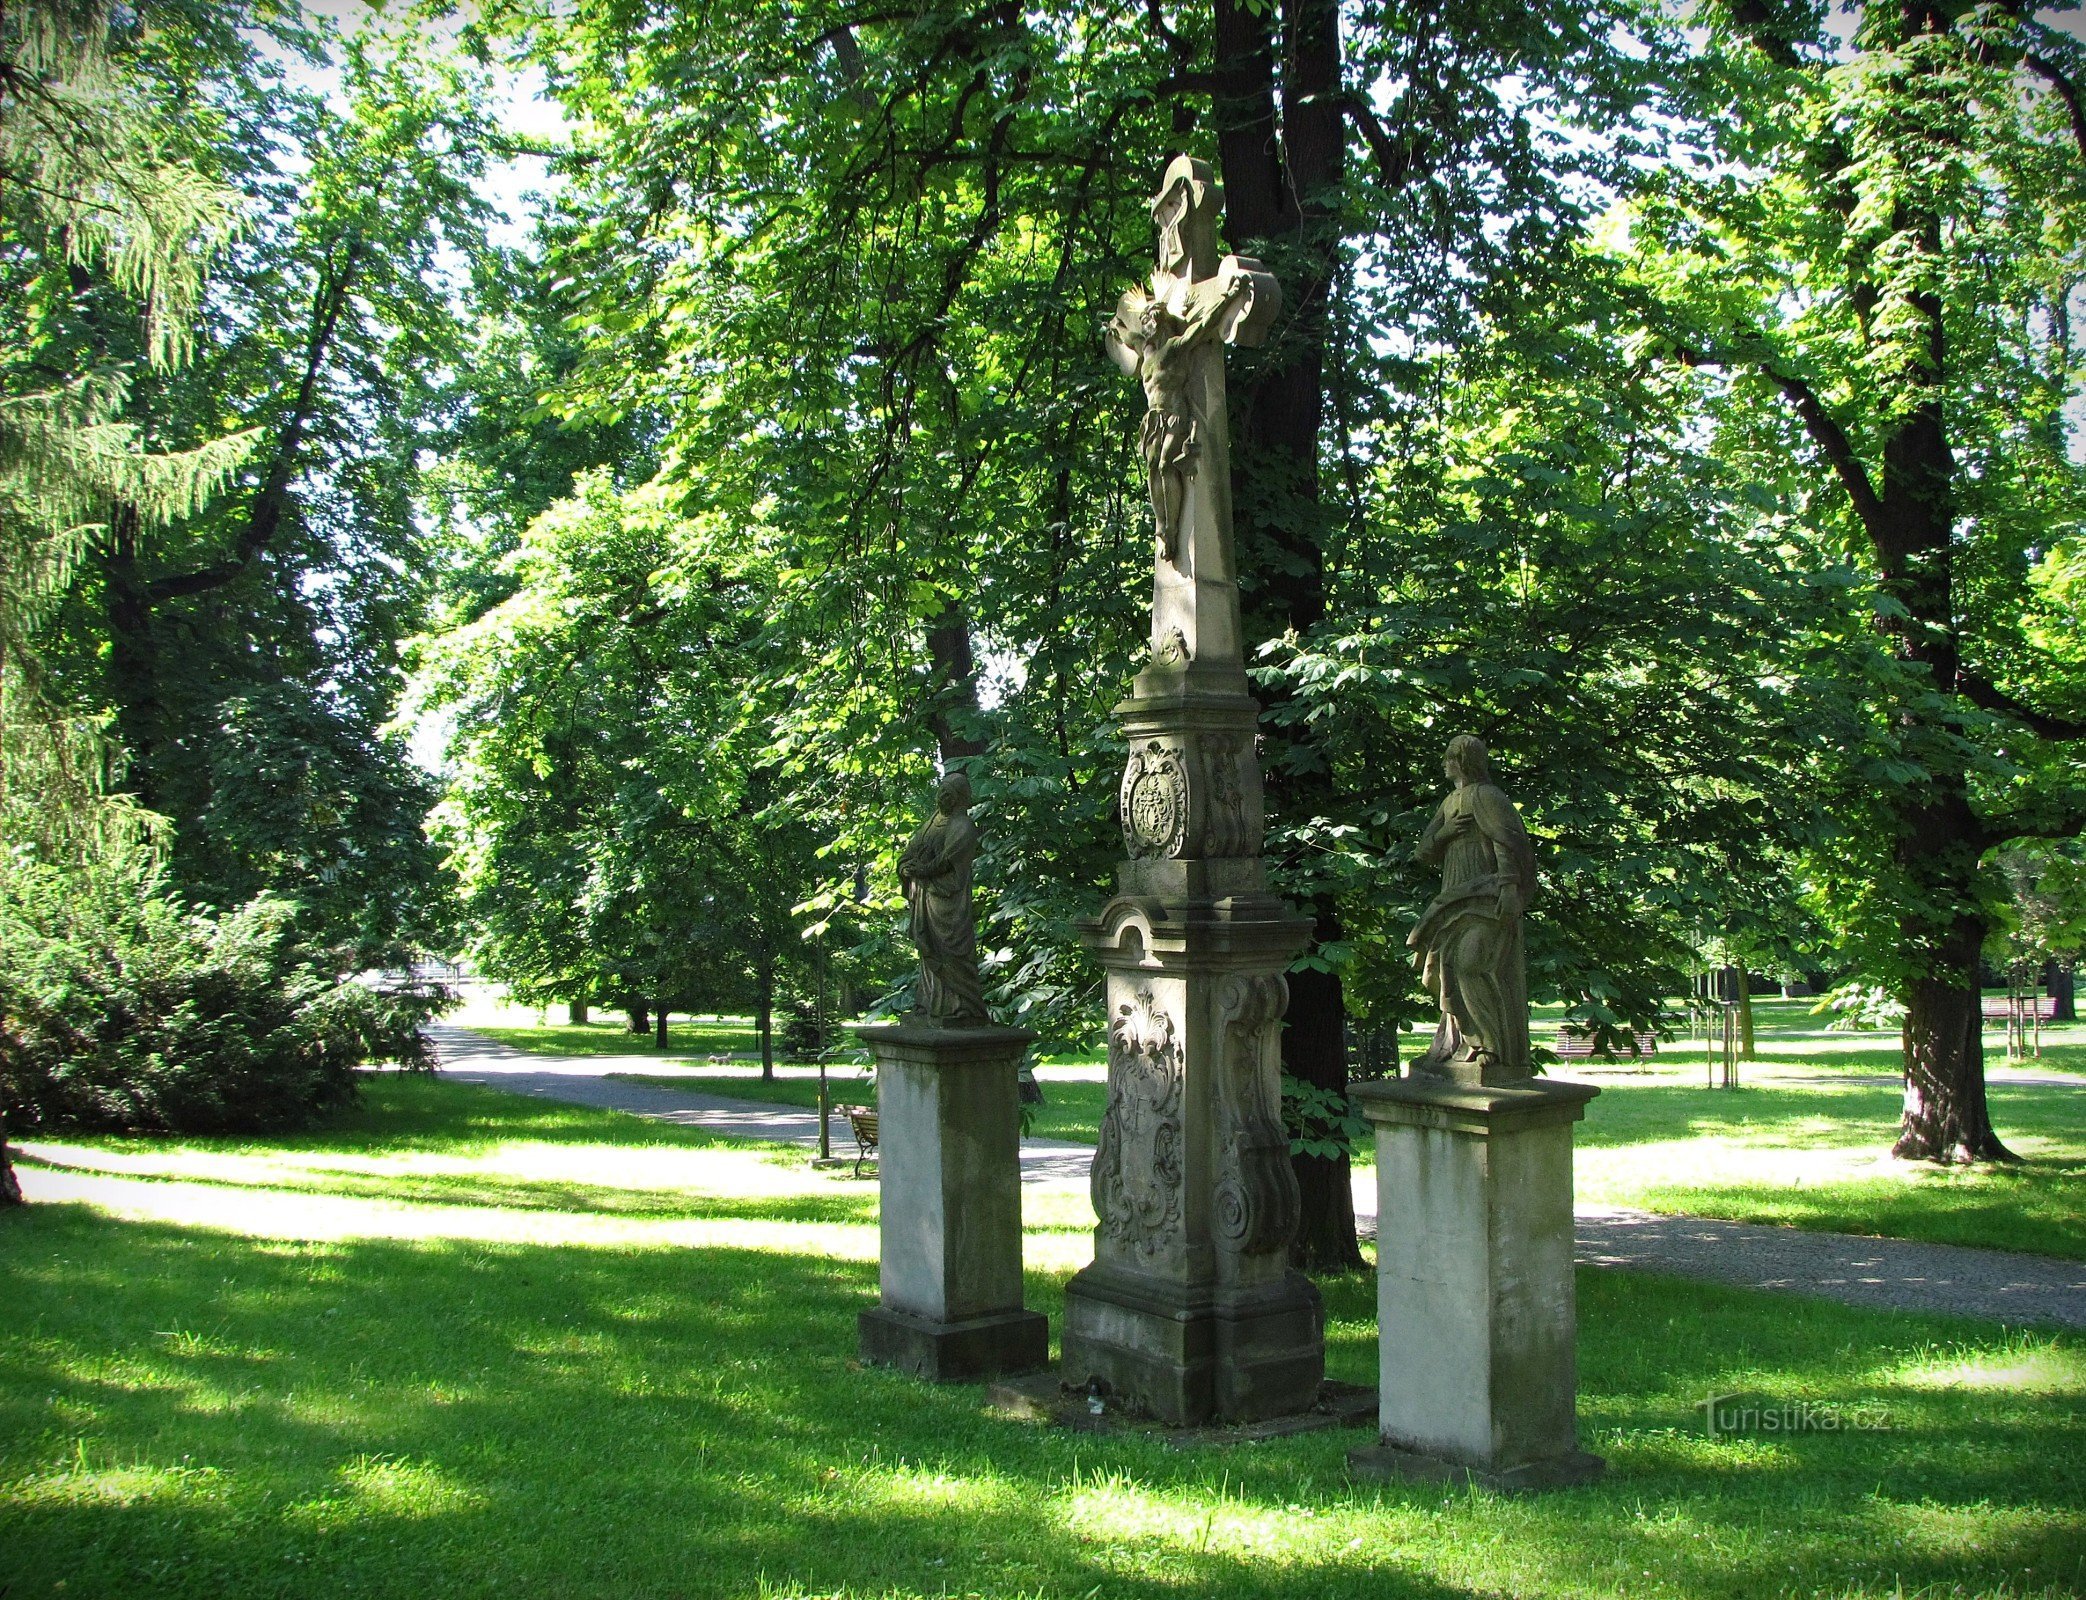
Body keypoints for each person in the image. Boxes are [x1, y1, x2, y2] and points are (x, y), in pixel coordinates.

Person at [1407, 736, 1536, 1083]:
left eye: (1450, 758)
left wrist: (1509, 887)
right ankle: (1459, 1045)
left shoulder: (1489, 797)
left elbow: (1507, 842)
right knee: (1438, 972)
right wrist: (1445, 833)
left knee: (1469, 964)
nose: (1445, 764)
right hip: (1452, 901)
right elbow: (1422, 852)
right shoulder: (1450, 802)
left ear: (1464, 761)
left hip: (1486, 897)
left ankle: (1492, 1048)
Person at [899, 769, 988, 1026]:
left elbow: (949, 859)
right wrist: (906, 866)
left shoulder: (963, 826)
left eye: (948, 794)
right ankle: (929, 1004)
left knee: (953, 952)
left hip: (948, 900)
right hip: (926, 897)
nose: (942, 798)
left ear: (959, 798)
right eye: (941, 792)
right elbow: (912, 850)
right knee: (930, 952)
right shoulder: (930, 822)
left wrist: (923, 870)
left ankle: (964, 1005)